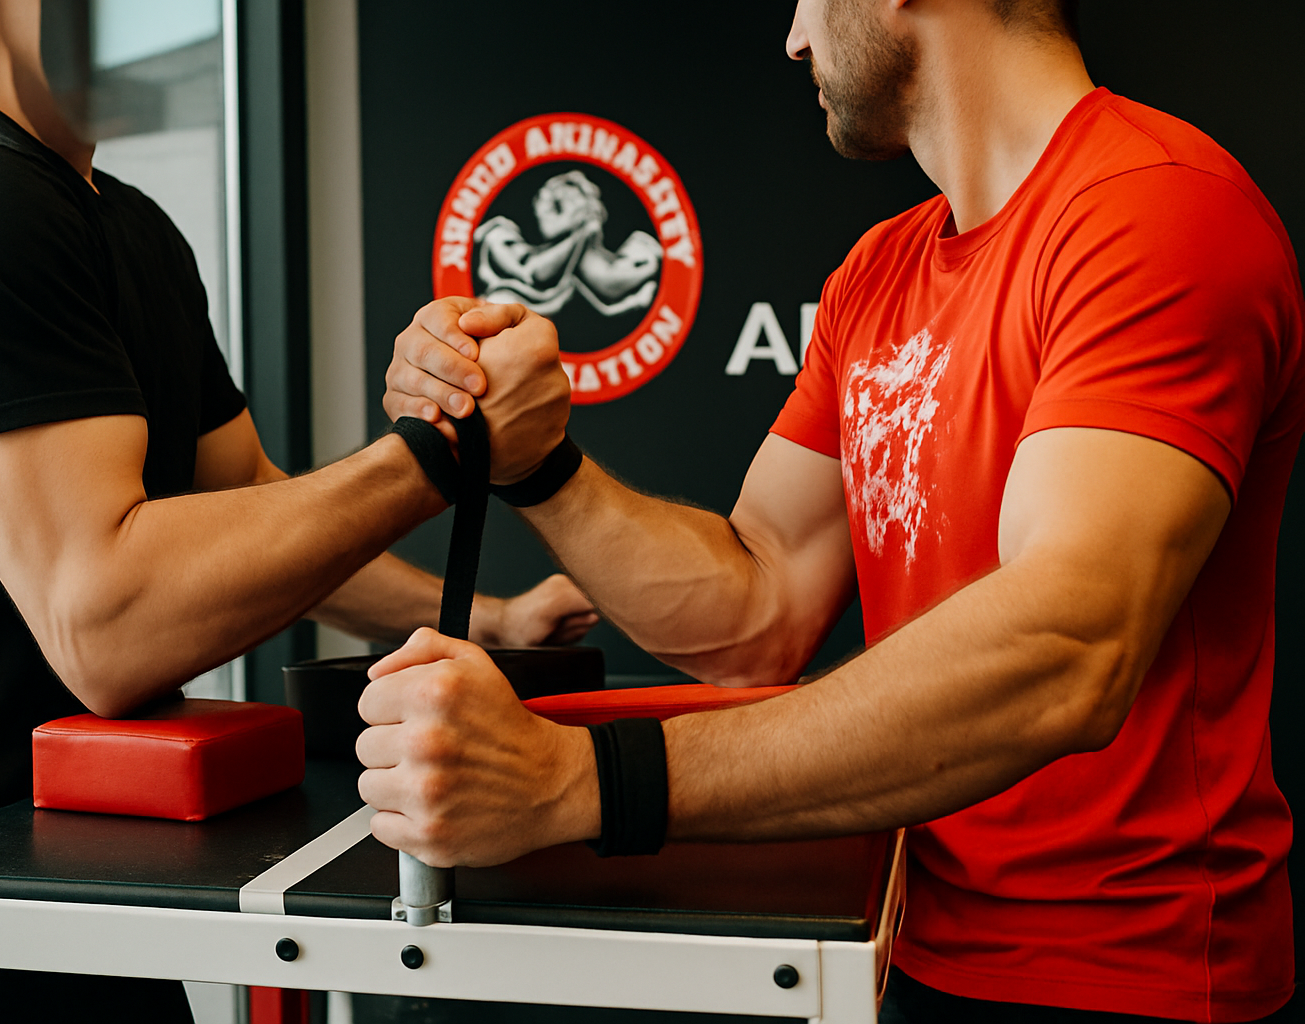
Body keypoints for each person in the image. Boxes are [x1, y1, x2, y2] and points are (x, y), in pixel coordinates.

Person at [367, 0, 1301, 1021]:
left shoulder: (1154, 208)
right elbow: (755, 608)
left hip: (1128, 979)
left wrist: (581, 782)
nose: (795, 37)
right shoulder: (878, 273)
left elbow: (1070, 643)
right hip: (914, 943)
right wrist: (538, 462)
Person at [0, 3, 594, 1022]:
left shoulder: (137, 234)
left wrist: (495, 621)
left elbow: (251, 506)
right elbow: (103, 623)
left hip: (79, 873)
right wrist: (447, 451)